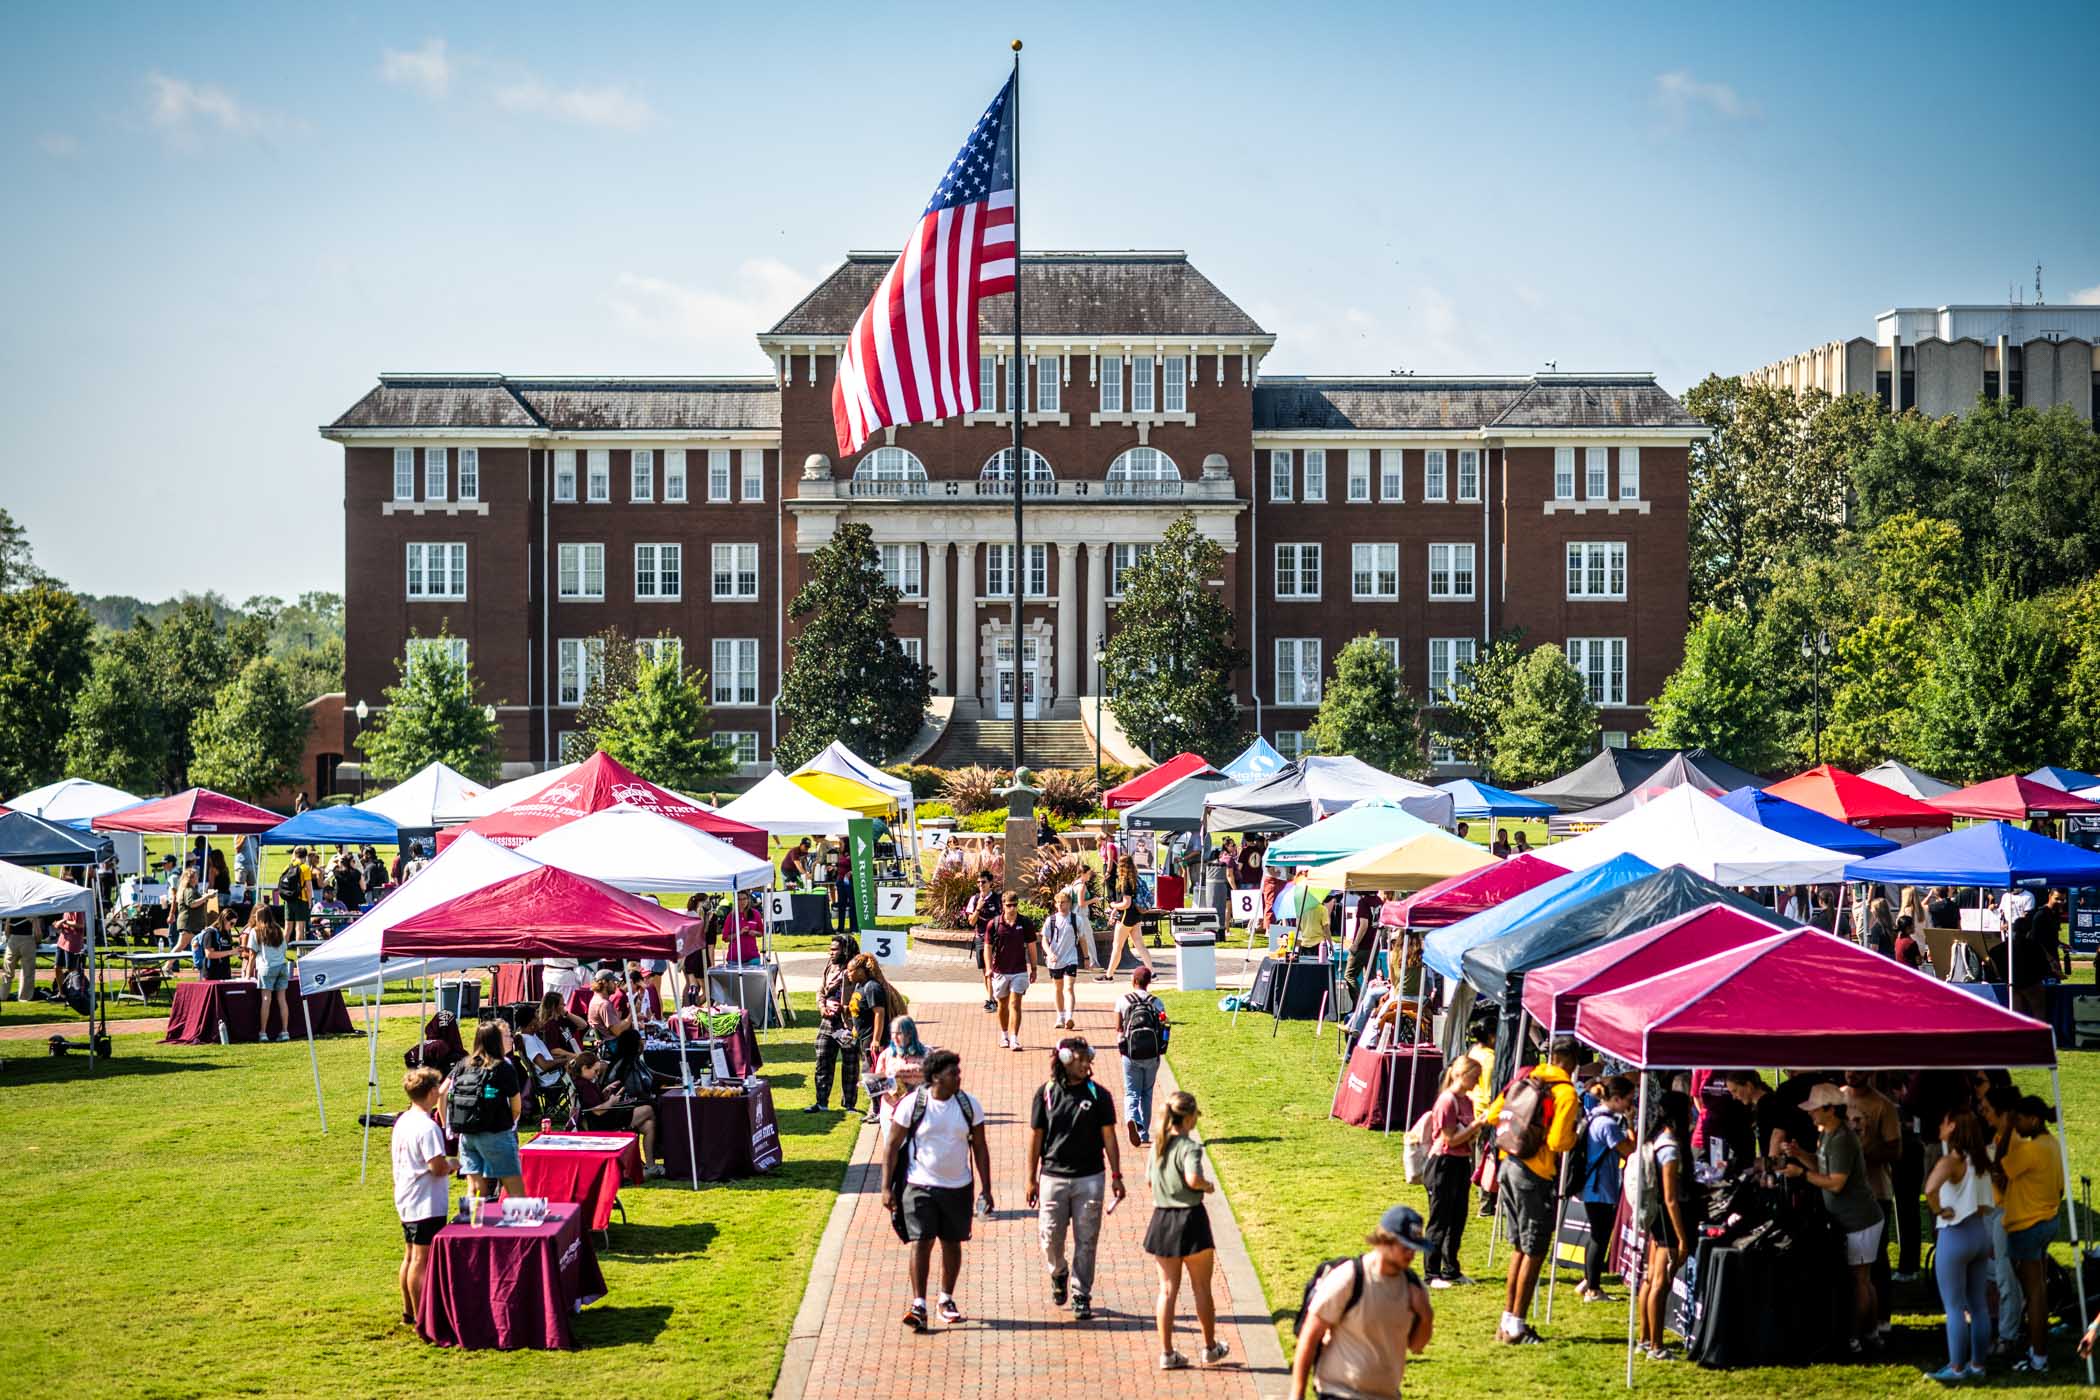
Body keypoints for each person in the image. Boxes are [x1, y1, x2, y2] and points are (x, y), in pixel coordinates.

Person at [882, 1048, 993, 1333]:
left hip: (958, 1186)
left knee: (952, 1242)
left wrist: (986, 1188)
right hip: (919, 1185)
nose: (958, 1077)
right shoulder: (912, 1104)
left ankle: (946, 1299)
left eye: (958, 1072)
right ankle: (918, 1304)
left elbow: (979, 1147)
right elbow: (892, 1146)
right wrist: (886, 1188)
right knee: (921, 1240)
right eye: (952, 1073)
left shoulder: (969, 1105)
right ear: (935, 1078)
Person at [1481, 1038, 1582, 1344]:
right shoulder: (1565, 1093)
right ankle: (1516, 1327)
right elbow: (1558, 1143)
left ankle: (1508, 1321)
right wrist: (1578, 1134)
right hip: (1535, 1173)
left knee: (1520, 1249)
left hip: (1508, 1164)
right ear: (1572, 1062)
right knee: (1535, 1250)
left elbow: (1493, 1115)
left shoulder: (1525, 1079)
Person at [1291, 1203, 1436, 1399]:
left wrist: (1426, 1316)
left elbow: (1417, 1346)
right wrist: (1297, 1394)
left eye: (1415, 1248)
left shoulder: (1413, 1286)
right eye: (1406, 1247)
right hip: (1339, 1392)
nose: (1412, 1255)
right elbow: (1309, 1335)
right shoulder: (1350, 1277)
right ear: (1385, 1241)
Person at [1026, 1036, 1124, 1321]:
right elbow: (1036, 1137)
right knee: (1050, 1236)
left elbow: (1109, 1136)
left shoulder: (1099, 1095)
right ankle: (1058, 1272)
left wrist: (1116, 1175)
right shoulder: (1045, 1094)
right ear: (1065, 1060)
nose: (1086, 1065)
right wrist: (1030, 1178)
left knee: (1087, 1239)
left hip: (1090, 1177)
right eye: (1079, 1059)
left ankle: (1082, 1293)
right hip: (1053, 1177)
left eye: (1087, 1059)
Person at [1781, 1083, 1883, 1354]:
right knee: (1861, 1279)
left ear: (1829, 1109)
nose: (1811, 1113)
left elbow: (1836, 1183)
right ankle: (1869, 1332)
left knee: (1860, 1280)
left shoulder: (1843, 1138)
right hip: (1849, 1219)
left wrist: (1800, 1174)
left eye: (1815, 1109)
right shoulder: (1826, 1134)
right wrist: (1801, 1155)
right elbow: (1824, 1166)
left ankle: (1859, 1335)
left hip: (1860, 1220)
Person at [1143, 1090, 1229, 1371]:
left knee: (1167, 1290)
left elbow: (1148, 1182)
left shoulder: (1158, 1145)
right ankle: (1209, 1347)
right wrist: (1207, 1185)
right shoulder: (1189, 1147)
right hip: (1190, 1220)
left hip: (1162, 1220)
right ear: (1190, 1117)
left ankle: (1167, 1353)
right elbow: (1193, 1178)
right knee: (1201, 1287)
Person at [1925, 1106, 1997, 1382]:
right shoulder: (1980, 1159)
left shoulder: (1950, 1161)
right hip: (1979, 1234)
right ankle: (1978, 1365)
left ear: (1952, 1126)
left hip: (1955, 1235)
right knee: (1978, 1305)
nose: (1940, 1127)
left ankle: (1956, 1367)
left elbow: (1930, 1189)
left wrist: (1939, 1210)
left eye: (1943, 1122)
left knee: (1954, 1306)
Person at [1999, 1094, 2066, 1374]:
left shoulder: (2030, 1149)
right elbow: (2061, 1188)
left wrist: (2006, 1132)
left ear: (2034, 1119)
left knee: (2034, 1292)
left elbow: (2000, 1166)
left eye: (2020, 1119)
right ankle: (2036, 1348)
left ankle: (2039, 1356)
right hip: (2047, 1221)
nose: (2017, 1124)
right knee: (2036, 1289)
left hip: (2027, 1226)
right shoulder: (2052, 1144)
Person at [390, 1066, 454, 1328]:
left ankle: (409, 1311)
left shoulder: (403, 1120)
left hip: (406, 1195)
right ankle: (421, 1316)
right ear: (430, 1093)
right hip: (425, 1201)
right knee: (421, 1259)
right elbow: (437, 1166)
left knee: (410, 1256)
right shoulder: (428, 1127)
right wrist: (454, 1164)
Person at [1637, 1090, 1695, 1360]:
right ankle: (1656, 1346)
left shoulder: (1655, 1137)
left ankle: (1645, 1339)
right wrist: (1682, 1238)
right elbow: (1671, 1198)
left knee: (1650, 1280)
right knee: (1660, 1283)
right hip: (1666, 1220)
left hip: (1656, 1218)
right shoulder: (1670, 1148)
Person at [1844, 1071, 1901, 1337]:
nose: (1852, 1074)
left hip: (1876, 1191)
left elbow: (1895, 1149)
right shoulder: (1838, 1098)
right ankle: (1854, 1318)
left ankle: (1882, 1318)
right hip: (1845, 1193)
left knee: (1877, 1260)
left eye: (1857, 1070)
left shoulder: (1883, 1106)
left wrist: (1860, 1154)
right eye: (1848, 1069)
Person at [1422, 1057, 1484, 1288]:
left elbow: (1464, 1137)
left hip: (1460, 1162)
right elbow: (1450, 1138)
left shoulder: (1466, 1101)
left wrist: (1473, 1131)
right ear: (1461, 1074)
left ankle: (1451, 1270)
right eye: (1475, 1076)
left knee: (1458, 1218)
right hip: (1443, 1164)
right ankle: (1431, 1273)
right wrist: (1476, 1127)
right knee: (1440, 1220)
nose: (1477, 1082)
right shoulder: (1447, 1101)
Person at [445, 1021, 525, 1199]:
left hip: (467, 1134)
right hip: (496, 1131)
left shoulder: (463, 1065)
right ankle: (518, 1225)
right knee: (514, 1188)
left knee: (474, 1188)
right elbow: (516, 1105)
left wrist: (448, 1126)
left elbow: (444, 1092)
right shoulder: (503, 1067)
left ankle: (472, 1224)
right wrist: (507, 1123)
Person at [1576, 1075, 1636, 1302]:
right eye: (1628, 1100)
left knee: (1595, 1235)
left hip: (1593, 1185)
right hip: (1601, 1186)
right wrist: (1630, 1123)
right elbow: (1629, 1150)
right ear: (1617, 1099)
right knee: (1600, 1236)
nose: (1630, 1105)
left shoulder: (1594, 1116)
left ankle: (1588, 1281)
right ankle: (1593, 1289)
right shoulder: (1609, 1124)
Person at [569, 1048, 665, 1173]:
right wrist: (611, 1102)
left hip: (605, 1117)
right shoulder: (583, 1085)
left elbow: (594, 1102)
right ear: (584, 1068)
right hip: (602, 1122)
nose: (597, 1074)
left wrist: (605, 1093)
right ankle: (658, 1150)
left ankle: (650, 1166)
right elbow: (597, 1111)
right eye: (595, 1071)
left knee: (648, 1125)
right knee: (649, 1109)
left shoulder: (585, 1082)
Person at [1117, 965, 1169, 1146]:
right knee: (1147, 1093)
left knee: (1132, 1091)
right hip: (1152, 1054)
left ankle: (1132, 1117)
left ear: (1134, 981)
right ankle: (1144, 1133)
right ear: (1148, 983)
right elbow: (1164, 1026)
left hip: (1130, 1053)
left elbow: (1119, 1028)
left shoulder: (1123, 1001)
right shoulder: (1157, 1002)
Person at [983, 890, 1039, 1051]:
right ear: (1003, 906)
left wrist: (1034, 968)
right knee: (1002, 1004)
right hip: (1000, 970)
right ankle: (1004, 1034)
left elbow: (1032, 947)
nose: (1012, 909)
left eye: (1015, 905)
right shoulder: (994, 924)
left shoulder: (1025, 923)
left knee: (1015, 1004)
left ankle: (1014, 1038)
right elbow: (987, 947)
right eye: (1009, 905)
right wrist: (988, 968)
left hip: (1019, 970)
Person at [811, 935, 860, 1114]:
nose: (830, 952)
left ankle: (849, 1104)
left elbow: (862, 996)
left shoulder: (856, 969)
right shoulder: (830, 966)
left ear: (845, 950)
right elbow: (820, 990)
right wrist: (822, 1006)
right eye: (830, 949)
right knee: (822, 1059)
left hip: (847, 1024)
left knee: (850, 1064)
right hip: (828, 1021)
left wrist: (843, 1007)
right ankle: (821, 1102)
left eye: (834, 949)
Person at [1724, 1069, 1811, 1166]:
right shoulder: (1759, 1106)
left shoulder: (1768, 1105)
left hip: (1785, 1164)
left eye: (1735, 1091)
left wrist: (1769, 1168)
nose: (1734, 1097)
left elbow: (1777, 1136)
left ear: (1748, 1086)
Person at [845, 954, 896, 1119]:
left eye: (851, 971)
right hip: (862, 1038)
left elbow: (879, 1014)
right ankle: (876, 1110)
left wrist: (876, 1039)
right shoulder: (860, 985)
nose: (848, 974)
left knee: (875, 1076)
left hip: (873, 1040)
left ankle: (883, 1110)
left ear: (861, 971)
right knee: (869, 1076)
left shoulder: (872, 987)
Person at [1099, 856, 1148, 981]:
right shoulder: (1135, 879)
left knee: (1117, 946)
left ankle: (1109, 975)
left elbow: (1126, 903)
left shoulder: (1124, 882)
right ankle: (1152, 972)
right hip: (1136, 915)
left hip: (1126, 917)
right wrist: (1115, 910)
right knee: (1140, 945)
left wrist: (1113, 905)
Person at [1041, 889, 1083, 1030]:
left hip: (1071, 958)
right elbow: (1044, 940)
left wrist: (1088, 958)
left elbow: (1082, 939)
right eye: (1058, 902)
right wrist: (1049, 953)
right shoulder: (1051, 920)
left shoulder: (1076, 919)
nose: (1060, 905)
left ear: (1069, 903)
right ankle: (1060, 1016)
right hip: (1055, 960)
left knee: (1069, 987)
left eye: (1063, 902)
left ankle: (1069, 1016)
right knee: (1058, 988)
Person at [871, 1015, 927, 1114]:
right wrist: (871, 1083)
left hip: (918, 1109)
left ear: (910, 1034)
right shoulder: (886, 1055)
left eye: (899, 1033)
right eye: (892, 1033)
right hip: (891, 1110)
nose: (894, 1037)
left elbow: (934, 1079)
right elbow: (878, 1082)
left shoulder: (926, 1053)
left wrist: (904, 1073)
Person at [252, 907, 291, 1040]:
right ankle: (285, 1031)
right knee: (282, 999)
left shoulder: (256, 931)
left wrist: (247, 972)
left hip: (266, 967)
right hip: (282, 966)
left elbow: (252, 953)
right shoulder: (278, 929)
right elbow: (284, 949)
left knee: (266, 999)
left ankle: (263, 1032)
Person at [964, 870, 1000, 1010]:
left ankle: (995, 997)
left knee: (996, 969)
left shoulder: (998, 899)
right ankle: (991, 998)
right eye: (978, 882)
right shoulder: (974, 899)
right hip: (981, 938)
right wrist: (978, 908)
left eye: (983, 882)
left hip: (996, 938)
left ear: (990, 883)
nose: (980, 885)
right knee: (986, 970)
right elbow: (971, 922)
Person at [281, 846, 315, 941]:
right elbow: (308, 887)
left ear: (295, 855)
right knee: (299, 928)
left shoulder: (287, 867)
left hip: (288, 899)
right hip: (301, 900)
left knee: (287, 928)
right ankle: (299, 952)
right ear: (305, 856)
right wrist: (309, 902)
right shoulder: (305, 868)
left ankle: (281, 952)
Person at [1, 916, 38, 1003]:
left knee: (7, 970)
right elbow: (38, 932)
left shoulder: (12, 912)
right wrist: (37, 941)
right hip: (28, 939)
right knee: (27, 972)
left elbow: (6, 931)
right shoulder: (32, 912)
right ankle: (24, 997)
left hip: (13, 939)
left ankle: (3, 995)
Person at [197, 906, 238, 982]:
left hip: (225, 973)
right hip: (211, 974)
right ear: (224, 920)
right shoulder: (211, 933)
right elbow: (209, 954)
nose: (232, 926)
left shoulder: (227, 933)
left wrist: (237, 951)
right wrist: (230, 952)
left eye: (234, 924)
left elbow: (225, 952)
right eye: (231, 923)